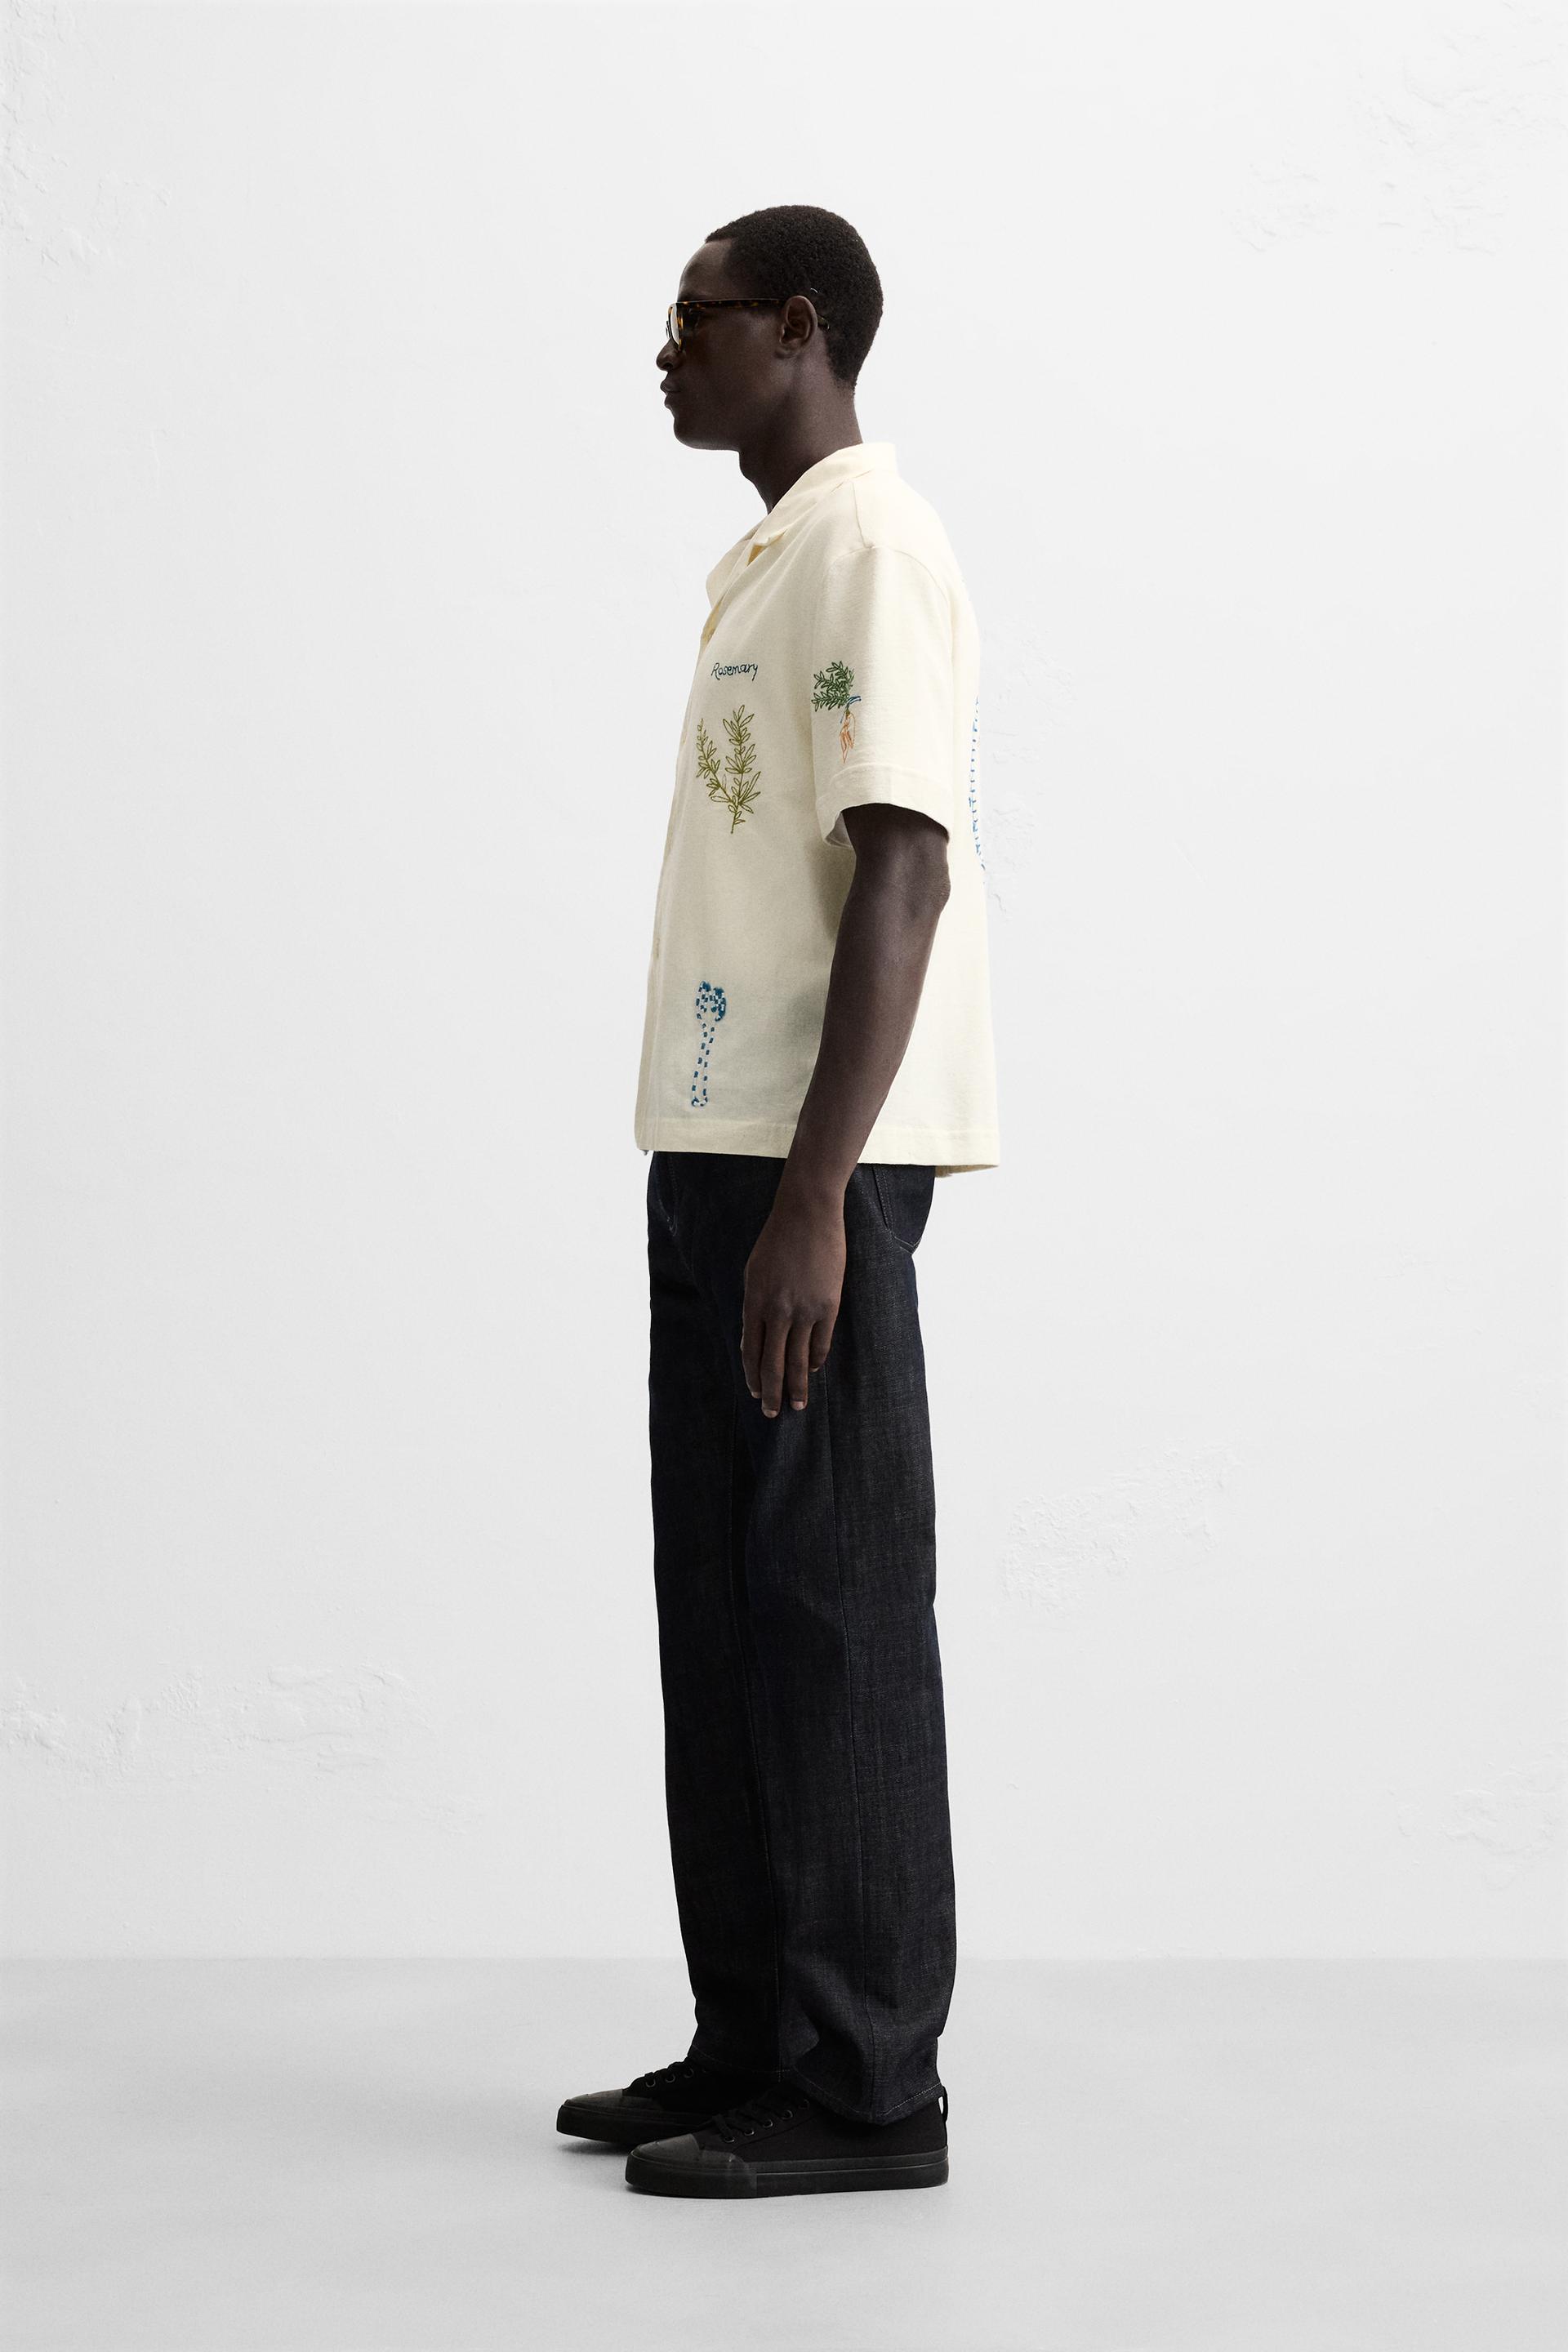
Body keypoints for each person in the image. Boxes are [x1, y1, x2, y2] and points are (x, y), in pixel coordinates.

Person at [556, 204, 1000, 2199]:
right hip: (722, 1147)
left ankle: (870, 2088)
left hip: (814, 1161)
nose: (669, 352)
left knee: (832, 1603)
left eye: (699, 319)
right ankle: (755, 2035)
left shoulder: (871, 549)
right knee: (727, 1605)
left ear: (797, 328)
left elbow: (904, 867)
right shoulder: (773, 556)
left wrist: (820, 1195)